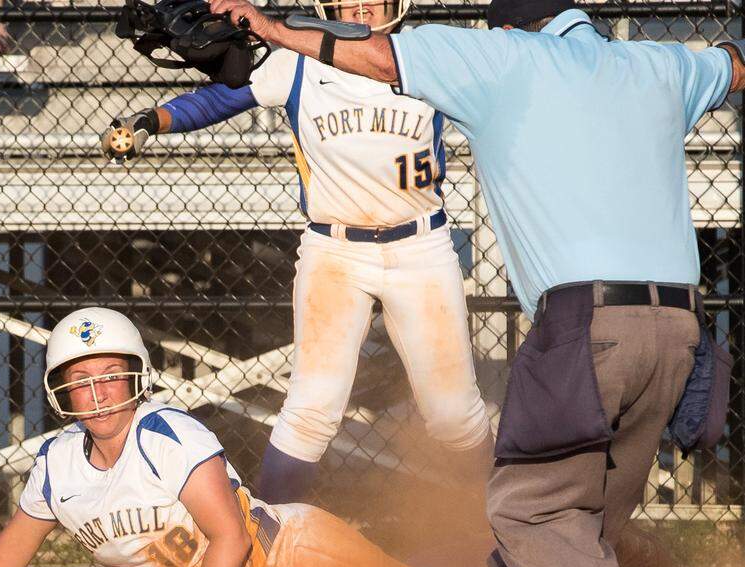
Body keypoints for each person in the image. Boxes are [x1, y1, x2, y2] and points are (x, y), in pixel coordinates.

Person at [201, 0, 745, 567]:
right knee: (589, 515)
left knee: (523, 506)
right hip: (679, 330)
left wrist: (268, 26)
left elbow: (372, 52)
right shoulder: (656, 64)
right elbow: (744, 62)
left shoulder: (504, 57)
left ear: (508, 23)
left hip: (587, 323)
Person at [106, 0, 492, 506]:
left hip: (421, 246)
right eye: (347, 2)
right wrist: (151, 120)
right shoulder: (298, 59)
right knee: (311, 409)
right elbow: (221, 99)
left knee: (453, 413)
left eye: (371, 2)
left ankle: (492, 532)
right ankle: (276, 544)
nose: (359, 11)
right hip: (335, 251)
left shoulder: (424, 56)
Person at [0, 307, 489, 567]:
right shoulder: (56, 464)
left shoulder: (165, 432)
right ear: (60, 392)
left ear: (137, 377)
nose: (98, 393)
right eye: (80, 381)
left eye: (111, 375)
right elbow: (17, 541)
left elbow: (232, 536)